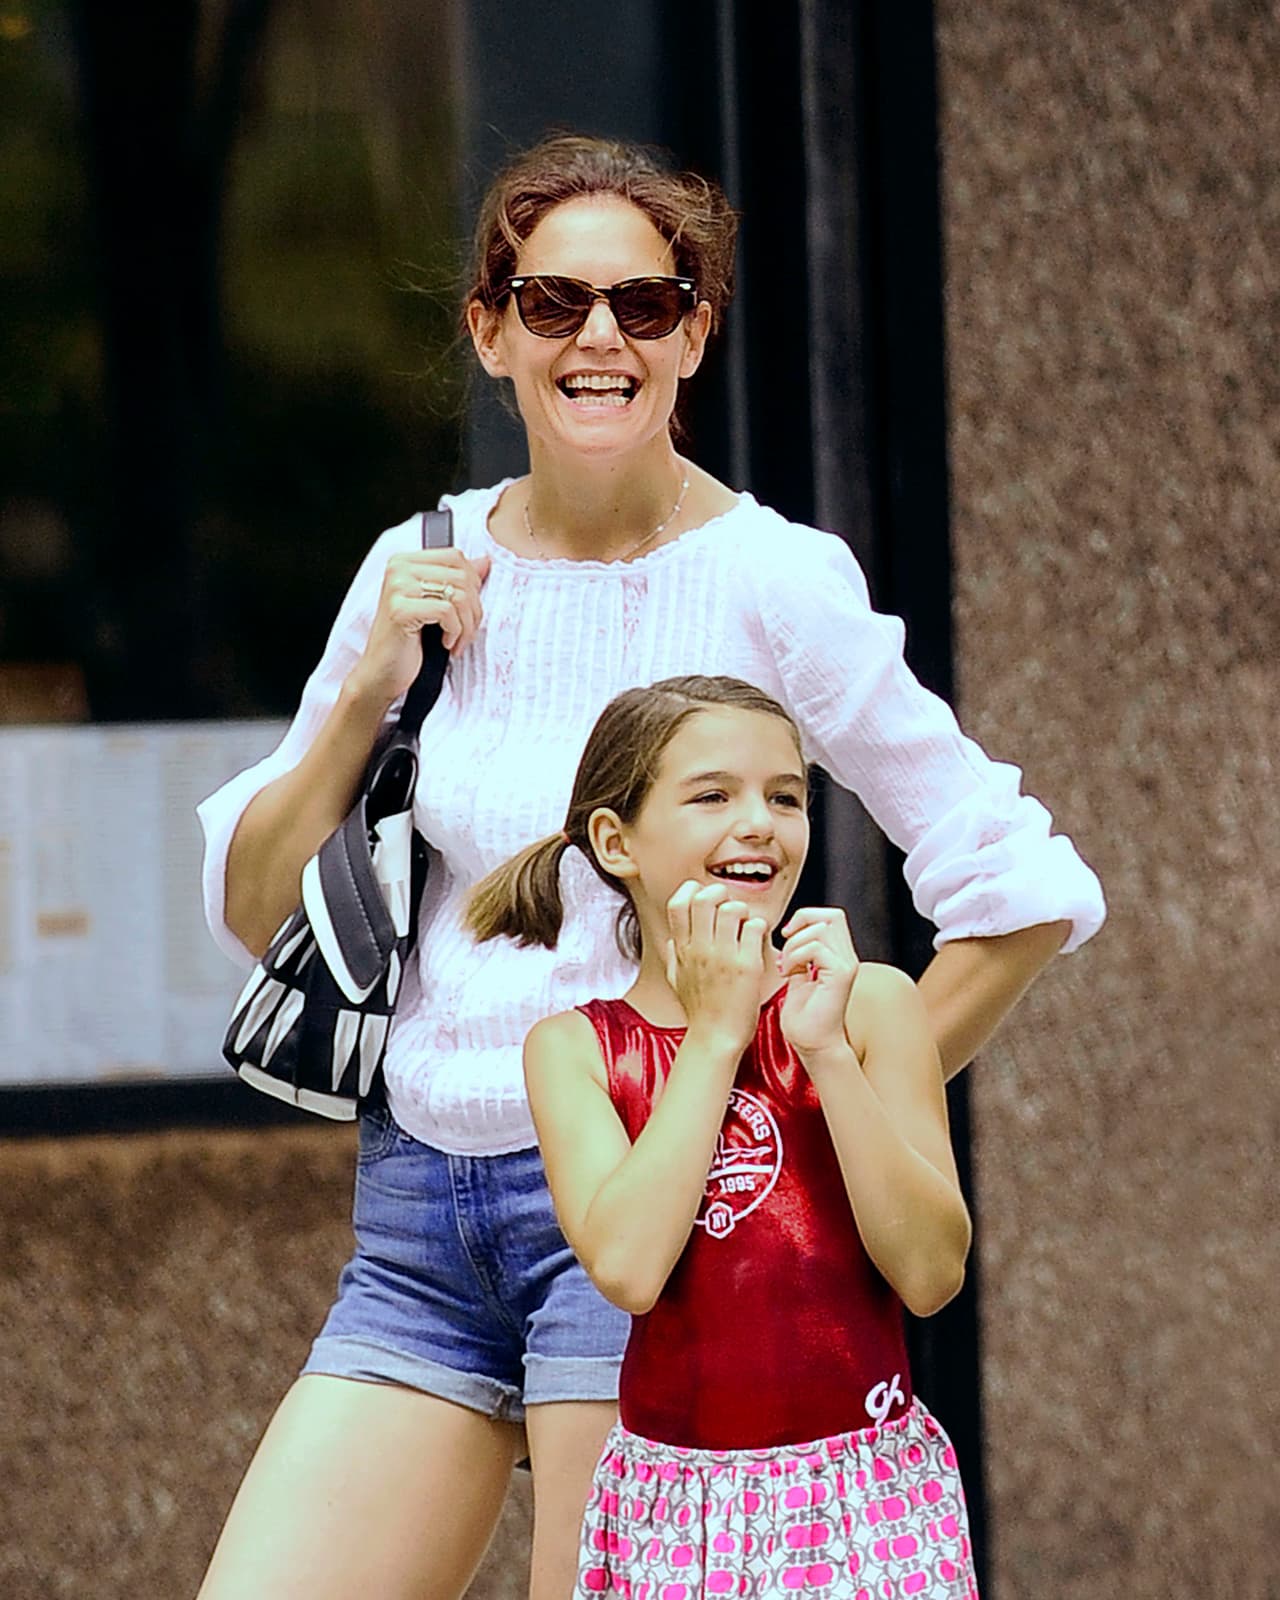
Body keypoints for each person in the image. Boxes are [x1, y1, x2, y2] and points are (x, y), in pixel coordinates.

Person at [194, 133, 1102, 1600]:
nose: (599, 336)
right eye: (552, 302)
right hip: (420, 1219)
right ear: (490, 331)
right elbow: (257, 911)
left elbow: (1019, 888)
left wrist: (792, 1116)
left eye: (645, 302)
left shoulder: (771, 576)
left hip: (657, 1215)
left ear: (695, 332)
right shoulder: (418, 564)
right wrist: (366, 692)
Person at [467, 674, 980, 1600]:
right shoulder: (575, 1049)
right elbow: (629, 1268)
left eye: (785, 797)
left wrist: (825, 1053)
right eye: (712, 796)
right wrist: (714, 1035)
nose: (759, 824)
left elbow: (932, 1271)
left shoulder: (869, 1005)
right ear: (616, 842)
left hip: (863, 1490)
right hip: (675, 1508)